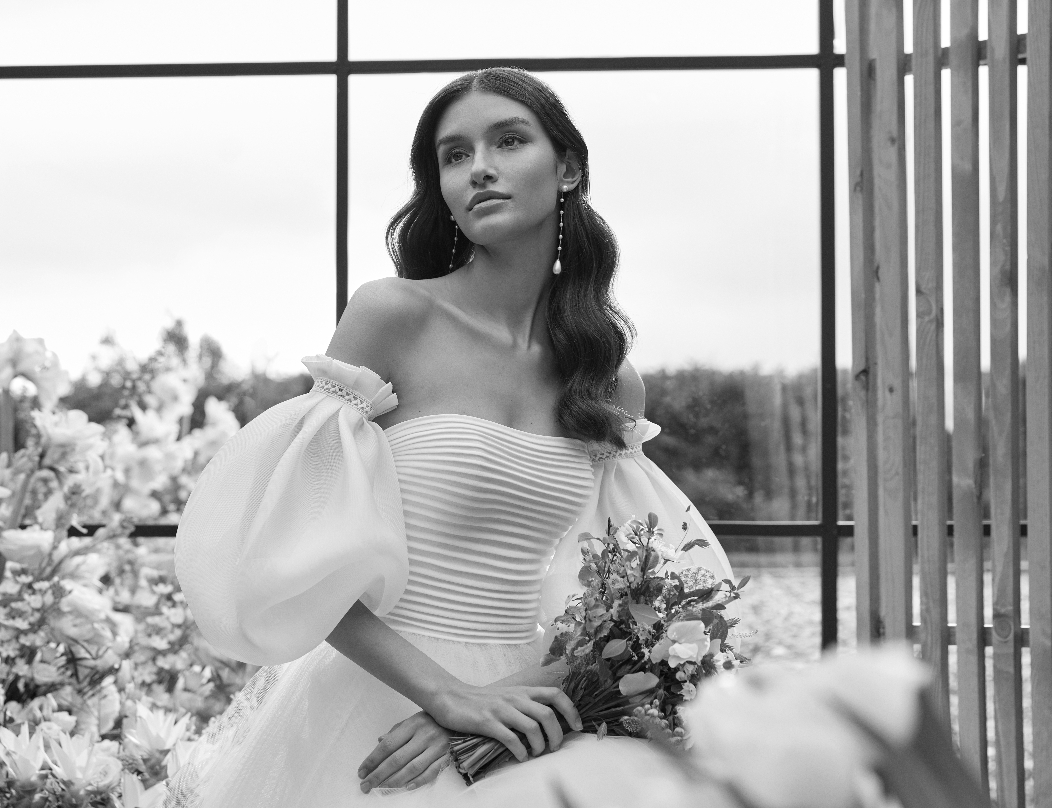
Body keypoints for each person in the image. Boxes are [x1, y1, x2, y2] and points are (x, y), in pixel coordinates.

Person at [165, 67, 734, 808]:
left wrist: (484, 706)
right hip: (374, 701)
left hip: (527, 707)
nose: (480, 169)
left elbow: (639, 605)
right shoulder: (391, 316)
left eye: (508, 141)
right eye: (454, 155)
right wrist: (444, 697)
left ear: (567, 168)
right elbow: (293, 554)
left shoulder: (608, 380)